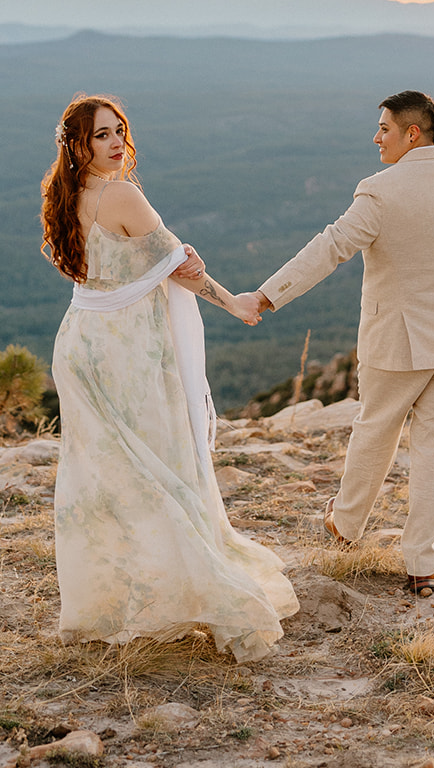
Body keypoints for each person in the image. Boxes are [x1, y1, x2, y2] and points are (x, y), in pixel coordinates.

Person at [40, 92, 298, 660]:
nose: (115, 144)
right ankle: (194, 591)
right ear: (77, 144)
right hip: (127, 350)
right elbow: (178, 269)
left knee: (106, 477)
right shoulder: (121, 193)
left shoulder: (65, 194)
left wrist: (172, 259)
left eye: (118, 132)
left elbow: (132, 266)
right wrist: (233, 302)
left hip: (80, 342)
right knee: (163, 466)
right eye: (101, 134)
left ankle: (115, 601)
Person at [236, 90, 434, 595]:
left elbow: (331, 248)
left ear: (413, 133)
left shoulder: (380, 190)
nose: (376, 137)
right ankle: (425, 563)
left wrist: (267, 296)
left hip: (399, 340)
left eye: (384, 128)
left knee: (376, 429)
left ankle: (345, 525)